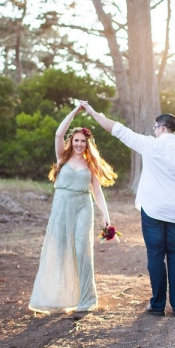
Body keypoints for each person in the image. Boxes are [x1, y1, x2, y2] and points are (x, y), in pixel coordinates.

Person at [80, 100, 175, 317]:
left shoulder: (149, 145)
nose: (154, 131)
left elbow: (116, 129)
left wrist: (90, 111)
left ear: (162, 128)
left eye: (155, 128)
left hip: (153, 211)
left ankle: (157, 305)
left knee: (155, 256)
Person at [29, 103, 117, 315]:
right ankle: (58, 298)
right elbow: (59, 134)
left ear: (88, 144)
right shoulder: (62, 158)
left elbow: (97, 191)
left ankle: (86, 300)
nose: (79, 144)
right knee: (59, 250)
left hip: (82, 207)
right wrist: (74, 112)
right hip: (62, 206)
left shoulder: (90, 165)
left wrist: (106, 215)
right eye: (76, 140)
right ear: (72, 142)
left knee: (82, 250)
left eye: (82, 141)